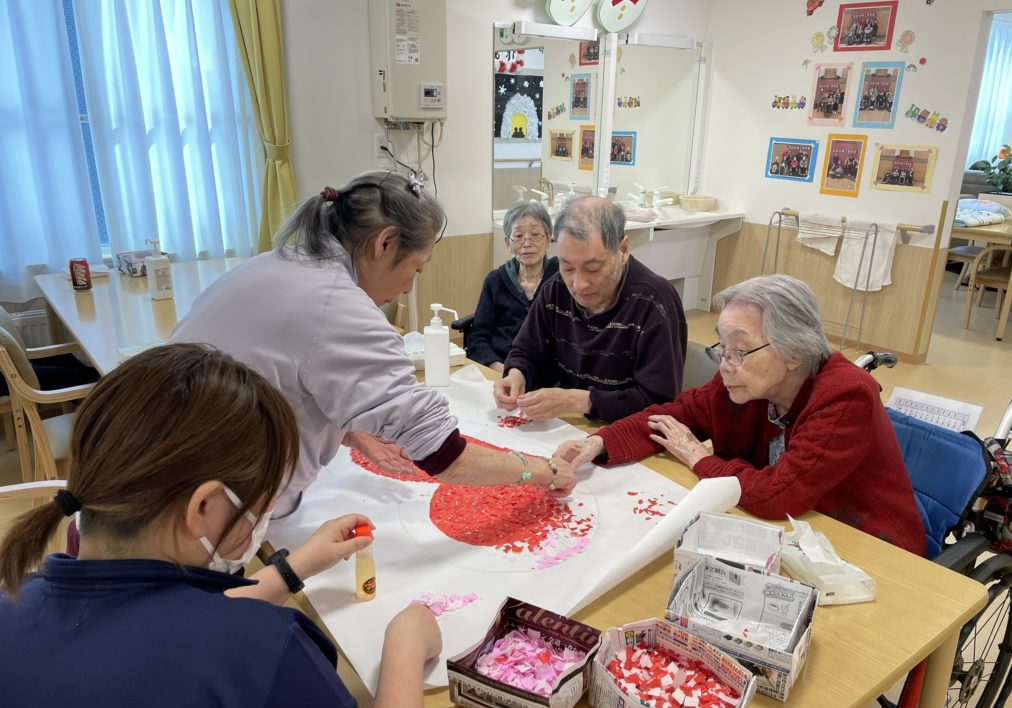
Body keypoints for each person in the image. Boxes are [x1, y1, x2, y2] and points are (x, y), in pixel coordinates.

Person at [0, 343, 441, 708]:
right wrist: (405, 645)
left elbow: (158, 625)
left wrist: (295, 567)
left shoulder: (14, 603)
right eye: (264, 498)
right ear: (204, 508)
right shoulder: (263, 652)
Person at [172, 170, 574, 517]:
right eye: (416, 267)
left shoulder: (274, 262)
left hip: (172, 465)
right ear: (384, 243)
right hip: (207, 506)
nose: (409, 287)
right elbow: (443, 454)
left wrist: (350, 430)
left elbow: (288, 373)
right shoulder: (338, 306)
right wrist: (539, 469)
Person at [554, 274, 925, 556]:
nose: (725, 365)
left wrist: (699, 457)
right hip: (791, 536)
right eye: (723, 348)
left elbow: (776, 495)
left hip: (869, 549)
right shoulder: (743, 382)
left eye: (739, 350)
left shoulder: (845, 396)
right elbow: (674, 416)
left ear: (794, 351)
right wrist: (597, 442)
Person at [495, 196, 687, 423]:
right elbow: (526, 351)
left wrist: (578, 401)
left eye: (593, 268)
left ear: (623, 249)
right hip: (567, 426)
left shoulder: (654, 302)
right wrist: (517, 374)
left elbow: (659, 404)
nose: (578, 285)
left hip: (622, 432)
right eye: (568, 268)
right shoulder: (556, 289)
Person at [466, 201, 559, 373]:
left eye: (535, 234)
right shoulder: (495, 280)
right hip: (500, 366)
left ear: (548, 239)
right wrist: (499, 368)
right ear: (508, 242)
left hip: (546, 373)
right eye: (518, 235)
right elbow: (478, 337)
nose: (527, 243)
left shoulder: (562, 279)